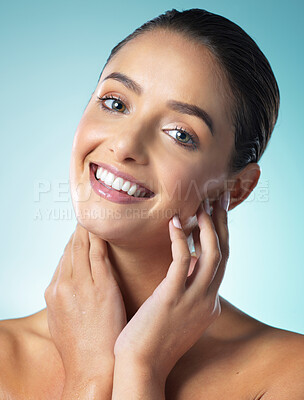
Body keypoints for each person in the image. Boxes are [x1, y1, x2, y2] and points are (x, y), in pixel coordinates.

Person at [0, 7, 303, 400]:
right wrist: (90, 375)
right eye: (115, 103)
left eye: (179, 133)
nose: (124, 145)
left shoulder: (287, 375)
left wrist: (140, 370)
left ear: (236, 188)